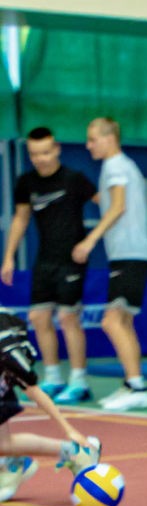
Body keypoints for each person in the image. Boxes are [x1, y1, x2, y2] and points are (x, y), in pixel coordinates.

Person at [2, 127, 96, 404]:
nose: (40, 159)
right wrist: (8, 256)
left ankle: (79, 381)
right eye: (34, 154)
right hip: (44, 260)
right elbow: (20, 218)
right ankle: (53, 377)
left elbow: (110, 205)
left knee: (68, 318)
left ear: (56, 150)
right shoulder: (26, 182)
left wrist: (90, 240)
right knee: (38, 317)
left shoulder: (74, 179)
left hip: (72, 260)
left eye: (45, 152)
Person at [80, 117, 147, 412]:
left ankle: (138, 387)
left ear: (109, 138)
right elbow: (115, 201)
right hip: (130, 253)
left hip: (129, 253)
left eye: (92, 139)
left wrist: (90, 240)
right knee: (123, 321)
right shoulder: (122, 166)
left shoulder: (115, 166)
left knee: (111, 320)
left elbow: (118, 206)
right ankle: (131, 383)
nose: (88, 145)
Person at [0, 312, 102, 503]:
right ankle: (12, 462)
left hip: (5, 372)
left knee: (2, 445)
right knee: (3, 445)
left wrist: (69, 430)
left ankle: (75, 452)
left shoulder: (8, 353)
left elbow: (33, 390)